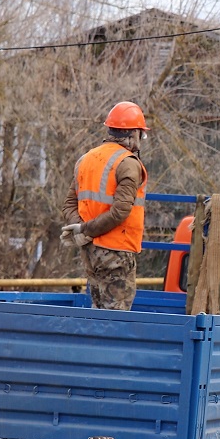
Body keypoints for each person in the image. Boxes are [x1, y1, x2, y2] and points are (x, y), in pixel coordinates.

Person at [61, 101, 149, 310]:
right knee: (115, 315)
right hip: (116, 251)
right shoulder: (128, 163)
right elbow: (120, 211)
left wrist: (82, 230)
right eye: (141, 133)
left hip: (90, 252)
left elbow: (68, 205)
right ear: (133, 133)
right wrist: (85, 229)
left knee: (98, 310)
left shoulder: (86, 159)